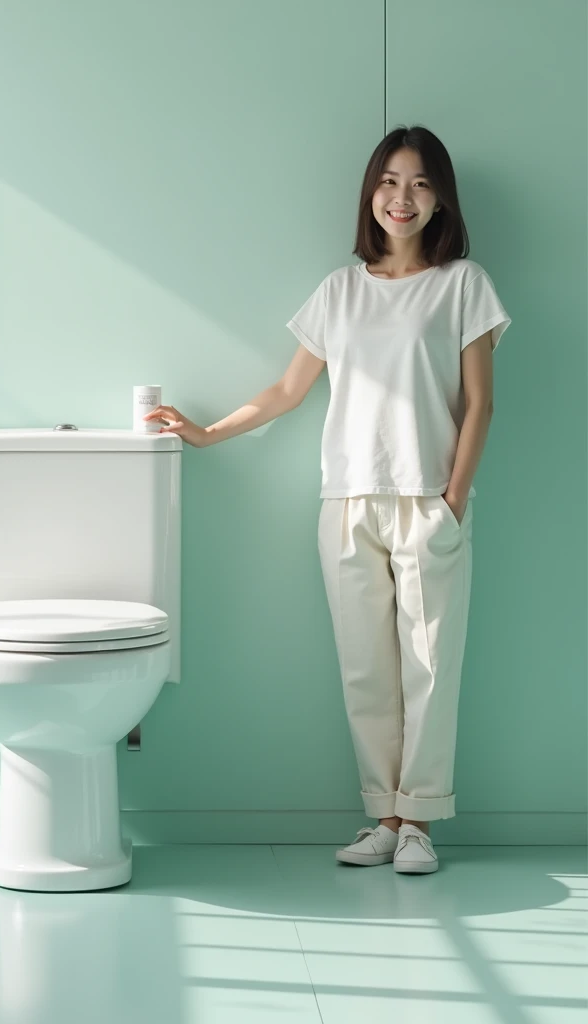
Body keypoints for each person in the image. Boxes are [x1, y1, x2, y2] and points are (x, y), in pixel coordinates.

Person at [143, 125, 511, 875]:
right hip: (346, 502)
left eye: (418, 184)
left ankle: (419, 824)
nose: (400, 198)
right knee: (365, 671)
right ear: (369, 193)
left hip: (426, 499)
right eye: (388, 182)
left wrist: (454, 498)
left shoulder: (463, 285)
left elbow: (480, 406)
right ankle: (382, 816)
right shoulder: (340, 291)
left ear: (440, 199)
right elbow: (287, 389)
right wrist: (208, 433)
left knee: (430, 665)